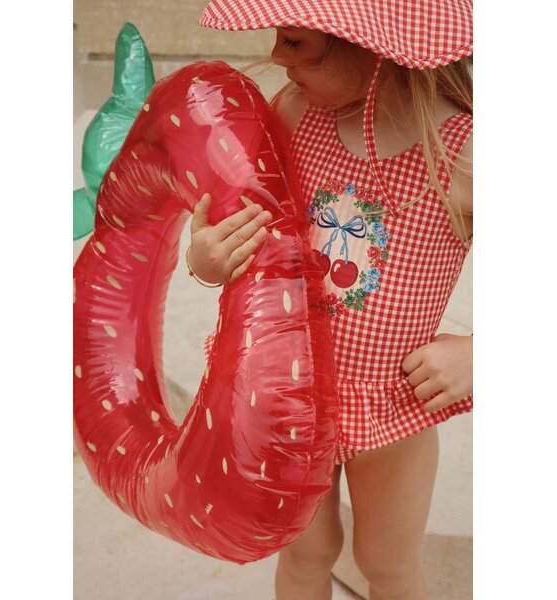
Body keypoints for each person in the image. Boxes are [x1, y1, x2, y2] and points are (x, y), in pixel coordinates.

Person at [189, 2, 473, 598]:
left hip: (392, 408)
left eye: (295, 42)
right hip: (289, 394)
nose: (276, 57)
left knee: (387, 564)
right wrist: (208, 261)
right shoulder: (295, 116)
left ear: (375, 44)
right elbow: (250, 232)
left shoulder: (463, 154)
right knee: (303, 553)